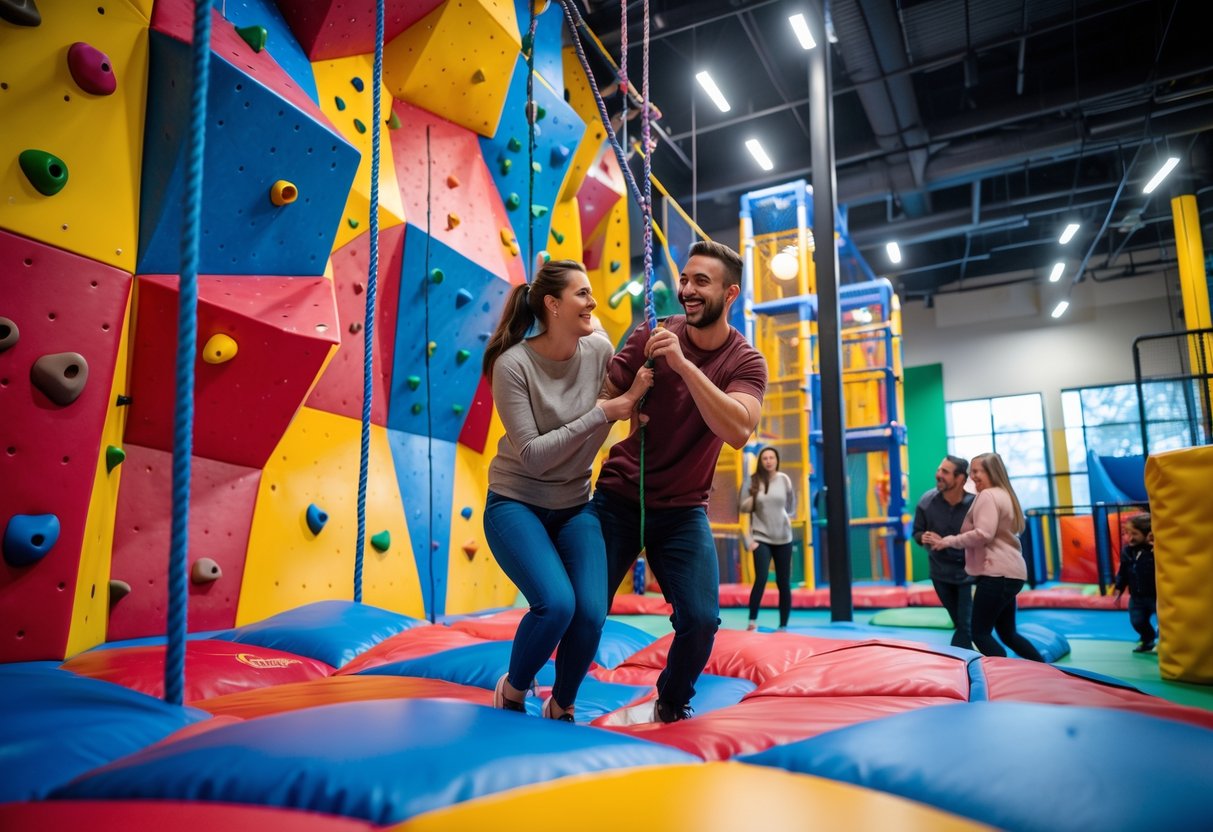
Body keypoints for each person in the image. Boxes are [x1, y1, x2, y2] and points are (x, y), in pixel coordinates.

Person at [594, 240, 767, 723]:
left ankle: (671, 701)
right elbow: (603, 397)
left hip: (683, 509)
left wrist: (684, 366)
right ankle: (559, 699)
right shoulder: (652, 333)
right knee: (586, 610)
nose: (687, 290)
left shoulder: (746, 361)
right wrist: (628, 395)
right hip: (619, 497)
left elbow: (737, 430)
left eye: (701, 282)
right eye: (685, 280)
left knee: (699, 620)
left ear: (730, 294)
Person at [482, 259, 653, 721]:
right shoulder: (513, 365)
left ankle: (561, 703)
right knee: (556, 605)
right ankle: (514, 690)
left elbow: (612, 419)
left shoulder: (598, 350)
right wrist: (609, 410)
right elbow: (535, 455)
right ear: (552, 305)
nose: (593, 302)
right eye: (581, 293)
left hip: (575, 505)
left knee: (592, 612)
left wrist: (632, 410)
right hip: (517, 502)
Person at [923, 452, 1044, 662]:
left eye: (977, 471)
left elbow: (983, 534)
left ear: (991, 473)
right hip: (1012, 572)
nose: (973, 476)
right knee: (1008, 633)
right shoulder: (1005, 494)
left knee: (979, 632)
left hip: (997, 574)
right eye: (971, 471)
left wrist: (948, 540)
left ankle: (1005, 672)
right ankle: (1045, 668)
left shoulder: (988, 496)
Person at [912, 455, 976, 649]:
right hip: (940, 574)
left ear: (960, 479)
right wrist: (922, 537)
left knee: (966, 626)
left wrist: (949, 543)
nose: (938, 475)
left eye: (945, 472)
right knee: (959, 623)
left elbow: (983, 537)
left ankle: (965, 665)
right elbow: (916, 531)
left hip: (969, 574)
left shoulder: (975, 504)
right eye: (939, 470)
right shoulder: (926, 501)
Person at [740, 446, 795, 632]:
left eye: (772, 457)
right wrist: (750, 541)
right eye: (765, 458)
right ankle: (752, 621)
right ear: (760, 461)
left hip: (783, 537)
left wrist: (783, 520)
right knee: (761, 578)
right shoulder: (752, 480)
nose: (769, 461)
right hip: (761, 537)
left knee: (783, 582)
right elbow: (742, 508)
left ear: (777, 460)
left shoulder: (784, 479)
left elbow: (791, 506)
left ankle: (783, 625)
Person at [1114, 512, 1157, 653]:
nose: (1130, 537)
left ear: (1148, 534)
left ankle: (1165, 643)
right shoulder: (1127, 551)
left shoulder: (1155, 550)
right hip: (1137, 597)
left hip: (1157, 596)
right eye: (1127, 533)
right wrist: (1119, 587)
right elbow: (1123, 570)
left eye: (1135, 533)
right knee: (1137, 621)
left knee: (1167, 622)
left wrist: (1154, 547)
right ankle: (1148, 638)